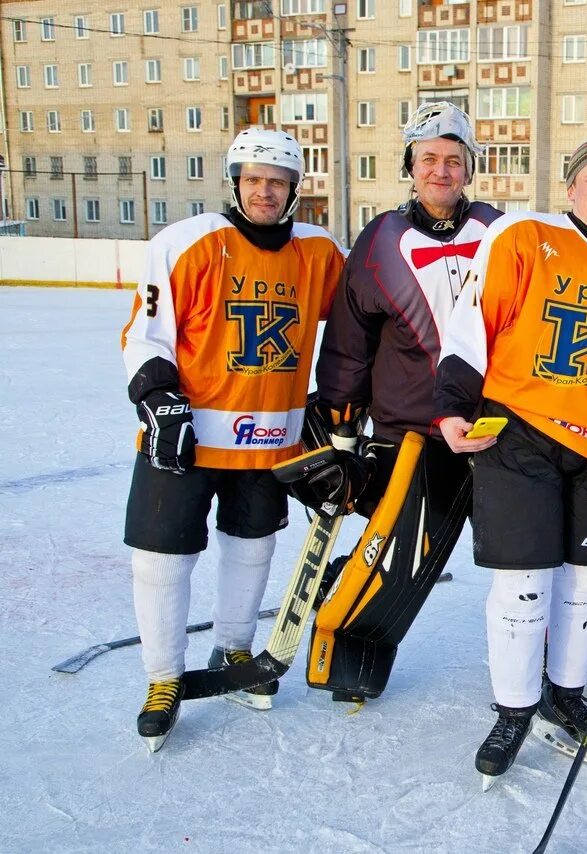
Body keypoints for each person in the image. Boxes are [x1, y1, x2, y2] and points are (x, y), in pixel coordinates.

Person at [434, 138, 587, 787]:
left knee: (585, 586)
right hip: (522, 434)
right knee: (523, 585)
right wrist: (451, 405)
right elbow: (471, 325)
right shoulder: (522, 236)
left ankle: (565, 695)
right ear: (570, 187)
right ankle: (514, 708)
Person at [122, 128, 345, 751]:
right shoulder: (186, 243)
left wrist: (337, 403)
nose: (264, 192)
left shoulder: (320, 253)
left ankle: (233, 650)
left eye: (277, 183)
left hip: (271, 436)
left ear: (295, 190)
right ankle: (164, 680)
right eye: (253, 180)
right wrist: (158, 401)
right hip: (189, 437)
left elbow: (359, 325)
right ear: (235, 182)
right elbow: (146, 334)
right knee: (161, 559)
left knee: (251, 549)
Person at [282, 102, 501, 703]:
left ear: (469, 169)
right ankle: (349, 649)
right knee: (396, 557)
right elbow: (350, 343)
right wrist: (338, 421)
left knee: (520, 559)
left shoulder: (500, 229)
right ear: (410, 167)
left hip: (493, 427)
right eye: (428, 159)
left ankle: (537, 662)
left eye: (453, 160)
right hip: (413, 430)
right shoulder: (380, 239)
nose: (441, 170)